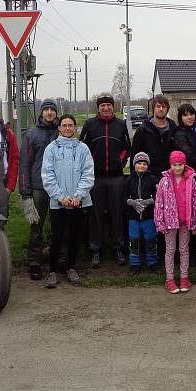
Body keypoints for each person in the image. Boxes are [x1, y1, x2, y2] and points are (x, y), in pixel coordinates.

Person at [40, 114, 95, 288]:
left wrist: (78, 196)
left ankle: (71, 267)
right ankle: (52, 270)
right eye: (64, 125)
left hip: (79, 202)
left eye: (70, 125)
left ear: (75, 128)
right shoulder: (51, 148)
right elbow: (48, 175)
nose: (67, 128)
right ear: (59, 128)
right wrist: (60, 197)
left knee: (74, 236)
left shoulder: (83, 148)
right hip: (59, 203)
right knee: (57, 237)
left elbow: (88, 174)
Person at [79, 95, 131, 266]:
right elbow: (83, 148)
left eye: (109, 105)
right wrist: (91, 164)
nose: (106, 108)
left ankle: (118, 248)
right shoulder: (89, 124)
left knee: (117, 213)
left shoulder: (121, 125)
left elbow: (126, 148)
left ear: (112, 107)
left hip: (116, 177)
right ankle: (95, 250)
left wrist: (120, 162)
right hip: (96, 178)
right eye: (103, 106)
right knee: (95, 215)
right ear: (98, 108)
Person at [18, 99, 60, 280]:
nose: (49, 113)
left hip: (59, 188)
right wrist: (25, 190)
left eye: (52, 110)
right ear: (41, 113)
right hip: (38, 187)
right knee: (37, 225)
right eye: (46, 110)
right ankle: (34, 262)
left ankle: (59, 259)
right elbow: (25, 164)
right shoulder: (32, 135)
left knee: (60, 225)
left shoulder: (62, 132)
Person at [154, 151, 196, 294]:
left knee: (184, 249)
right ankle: (169, 279)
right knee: (170, 250)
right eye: (174, 164)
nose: (177, 167)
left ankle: (184, 277)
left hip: (185, 221)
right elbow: (159, 202)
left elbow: (195, 202)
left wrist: (194, 222)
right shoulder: (164, 181)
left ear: (184, 164)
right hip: (169, 222)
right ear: (170, 165)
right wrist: (159, 221)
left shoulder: (191, 180)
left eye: (180, 164)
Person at [124, 151, 159, 274]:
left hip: (149, 216)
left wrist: (149, 201)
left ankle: (152, 262)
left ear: (147, 165)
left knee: (150, 240)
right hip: (133, 217)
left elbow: (158, 195)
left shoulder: (152, 178)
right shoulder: (129, 179)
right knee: (133, 240)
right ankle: (134, 264)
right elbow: (123, 196)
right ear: (134, 164)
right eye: (139, 163)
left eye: (144, 164)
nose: (141, 166)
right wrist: (131, 202)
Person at [131, 94, 177, 179]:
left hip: (170, 176)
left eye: (164, 106)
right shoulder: (143, 130)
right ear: (153, 108)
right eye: (158, 106)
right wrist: (134, 178)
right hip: (148, 177)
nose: (161, 109)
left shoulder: (174, 129)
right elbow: (134, 154)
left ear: (167, 109)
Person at [171, 103, 196, 181]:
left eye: (191, 114)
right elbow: (190, 155)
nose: (189, 117)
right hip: (192, 174)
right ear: (180, 118)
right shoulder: (179, 134)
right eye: (185, 115)